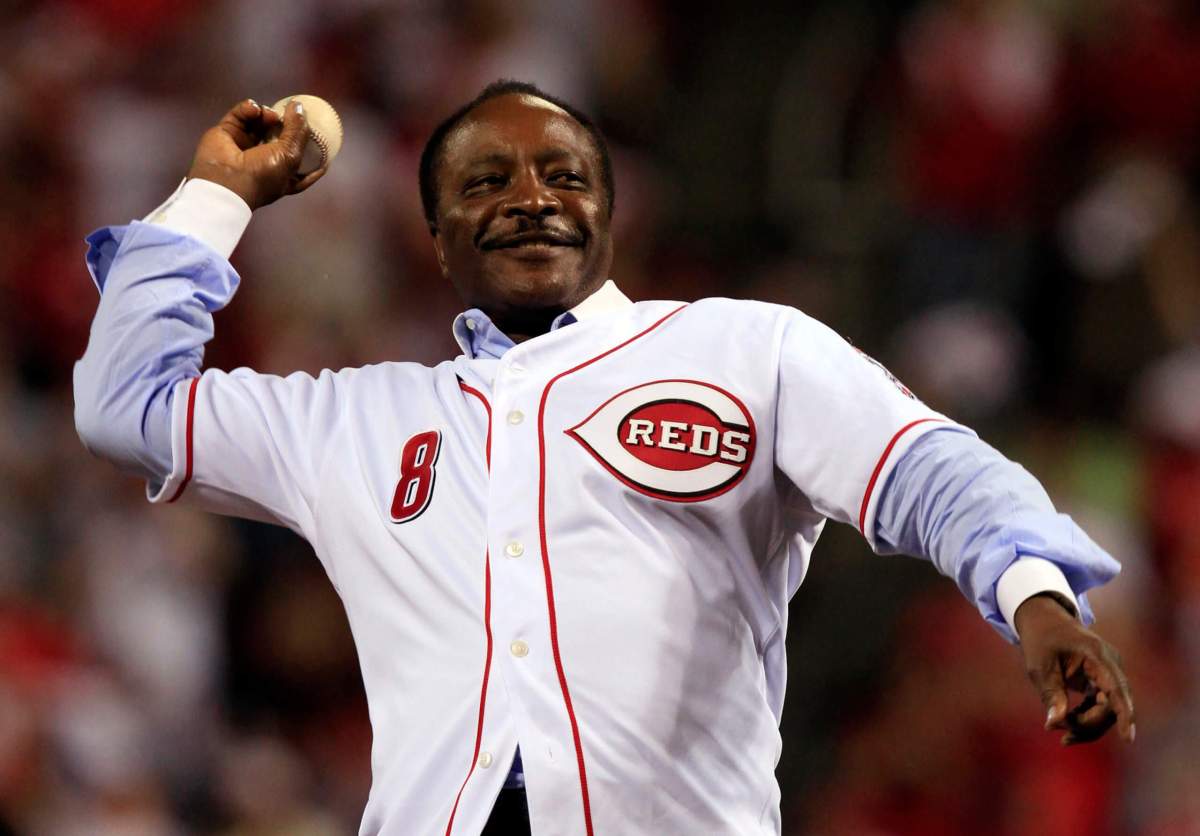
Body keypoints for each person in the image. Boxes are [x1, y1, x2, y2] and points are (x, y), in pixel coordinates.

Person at [74, 81, 1134, 835]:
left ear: (606, 216)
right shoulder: (358, 418)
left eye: (564, 173)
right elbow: (127, 404)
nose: (532, 194)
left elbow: (927, 471)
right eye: (488, 180)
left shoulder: (744, 347)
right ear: (440, 239)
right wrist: (217, 196)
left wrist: (1037, 599)